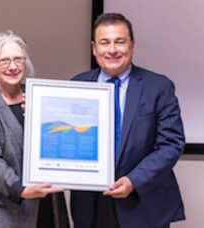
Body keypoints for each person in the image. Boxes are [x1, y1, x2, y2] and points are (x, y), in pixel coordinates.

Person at [70, 13, 185, 228]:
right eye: (104, 43)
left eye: (120, 42)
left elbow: (171, 144)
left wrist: (134, 180)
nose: (112, 49)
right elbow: (65, 134)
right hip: (91, 207)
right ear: (94, 48)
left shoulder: (158, 87)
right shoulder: (77, 85)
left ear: (132, 45)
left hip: (142, 203)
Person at [0, 30, 69, 228]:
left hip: (48, 205)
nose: (13, 67)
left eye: (18, 60)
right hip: (8, 209)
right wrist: (19, 189)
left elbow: (60, 139)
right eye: (4, 61)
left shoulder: (42, 100)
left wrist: (40, 116)